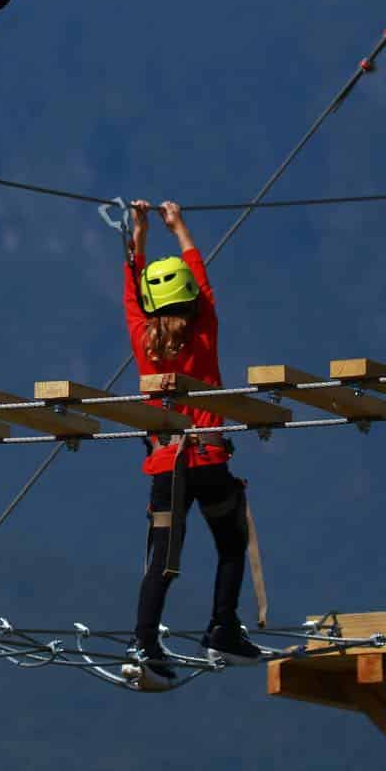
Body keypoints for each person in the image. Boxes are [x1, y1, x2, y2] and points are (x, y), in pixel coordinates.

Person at [123, 199, 263, 690]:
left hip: (166, 465)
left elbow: (131, 289)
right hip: (209, 460)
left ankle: (143, 642)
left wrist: (138, 234)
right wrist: (177, 226)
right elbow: (200, 280)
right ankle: (222, 626)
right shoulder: (204, 331)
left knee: (162, 559)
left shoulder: (143, 337)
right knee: (230, 544)